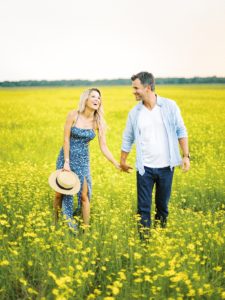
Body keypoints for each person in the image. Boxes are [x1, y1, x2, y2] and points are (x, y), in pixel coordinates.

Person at [120, 72, 190, 235]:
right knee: (143, 208)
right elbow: (128, 137)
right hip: (145, 169)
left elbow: (181, 130)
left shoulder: (170, 106)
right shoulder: (135, 112)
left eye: (136, 88)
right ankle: (145, 242)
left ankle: (160, 237)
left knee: (162, 207)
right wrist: (123, 160)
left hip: (167, 167)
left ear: (148, 87)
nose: (134, 92)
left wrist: (185, 156)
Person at [53, 88, 120, 231]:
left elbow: (103, 146)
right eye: (94, 97)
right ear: (86, 99)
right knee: (59, 193)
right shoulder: (73, 115)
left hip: (83, 161)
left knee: (84, 195)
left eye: (99, 98)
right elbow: (66, 139)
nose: (97, 100)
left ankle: (85, 230)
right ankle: (56, 224)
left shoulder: (98, 121)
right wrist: (66, 162)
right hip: (66, 158)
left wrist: (115, 163)